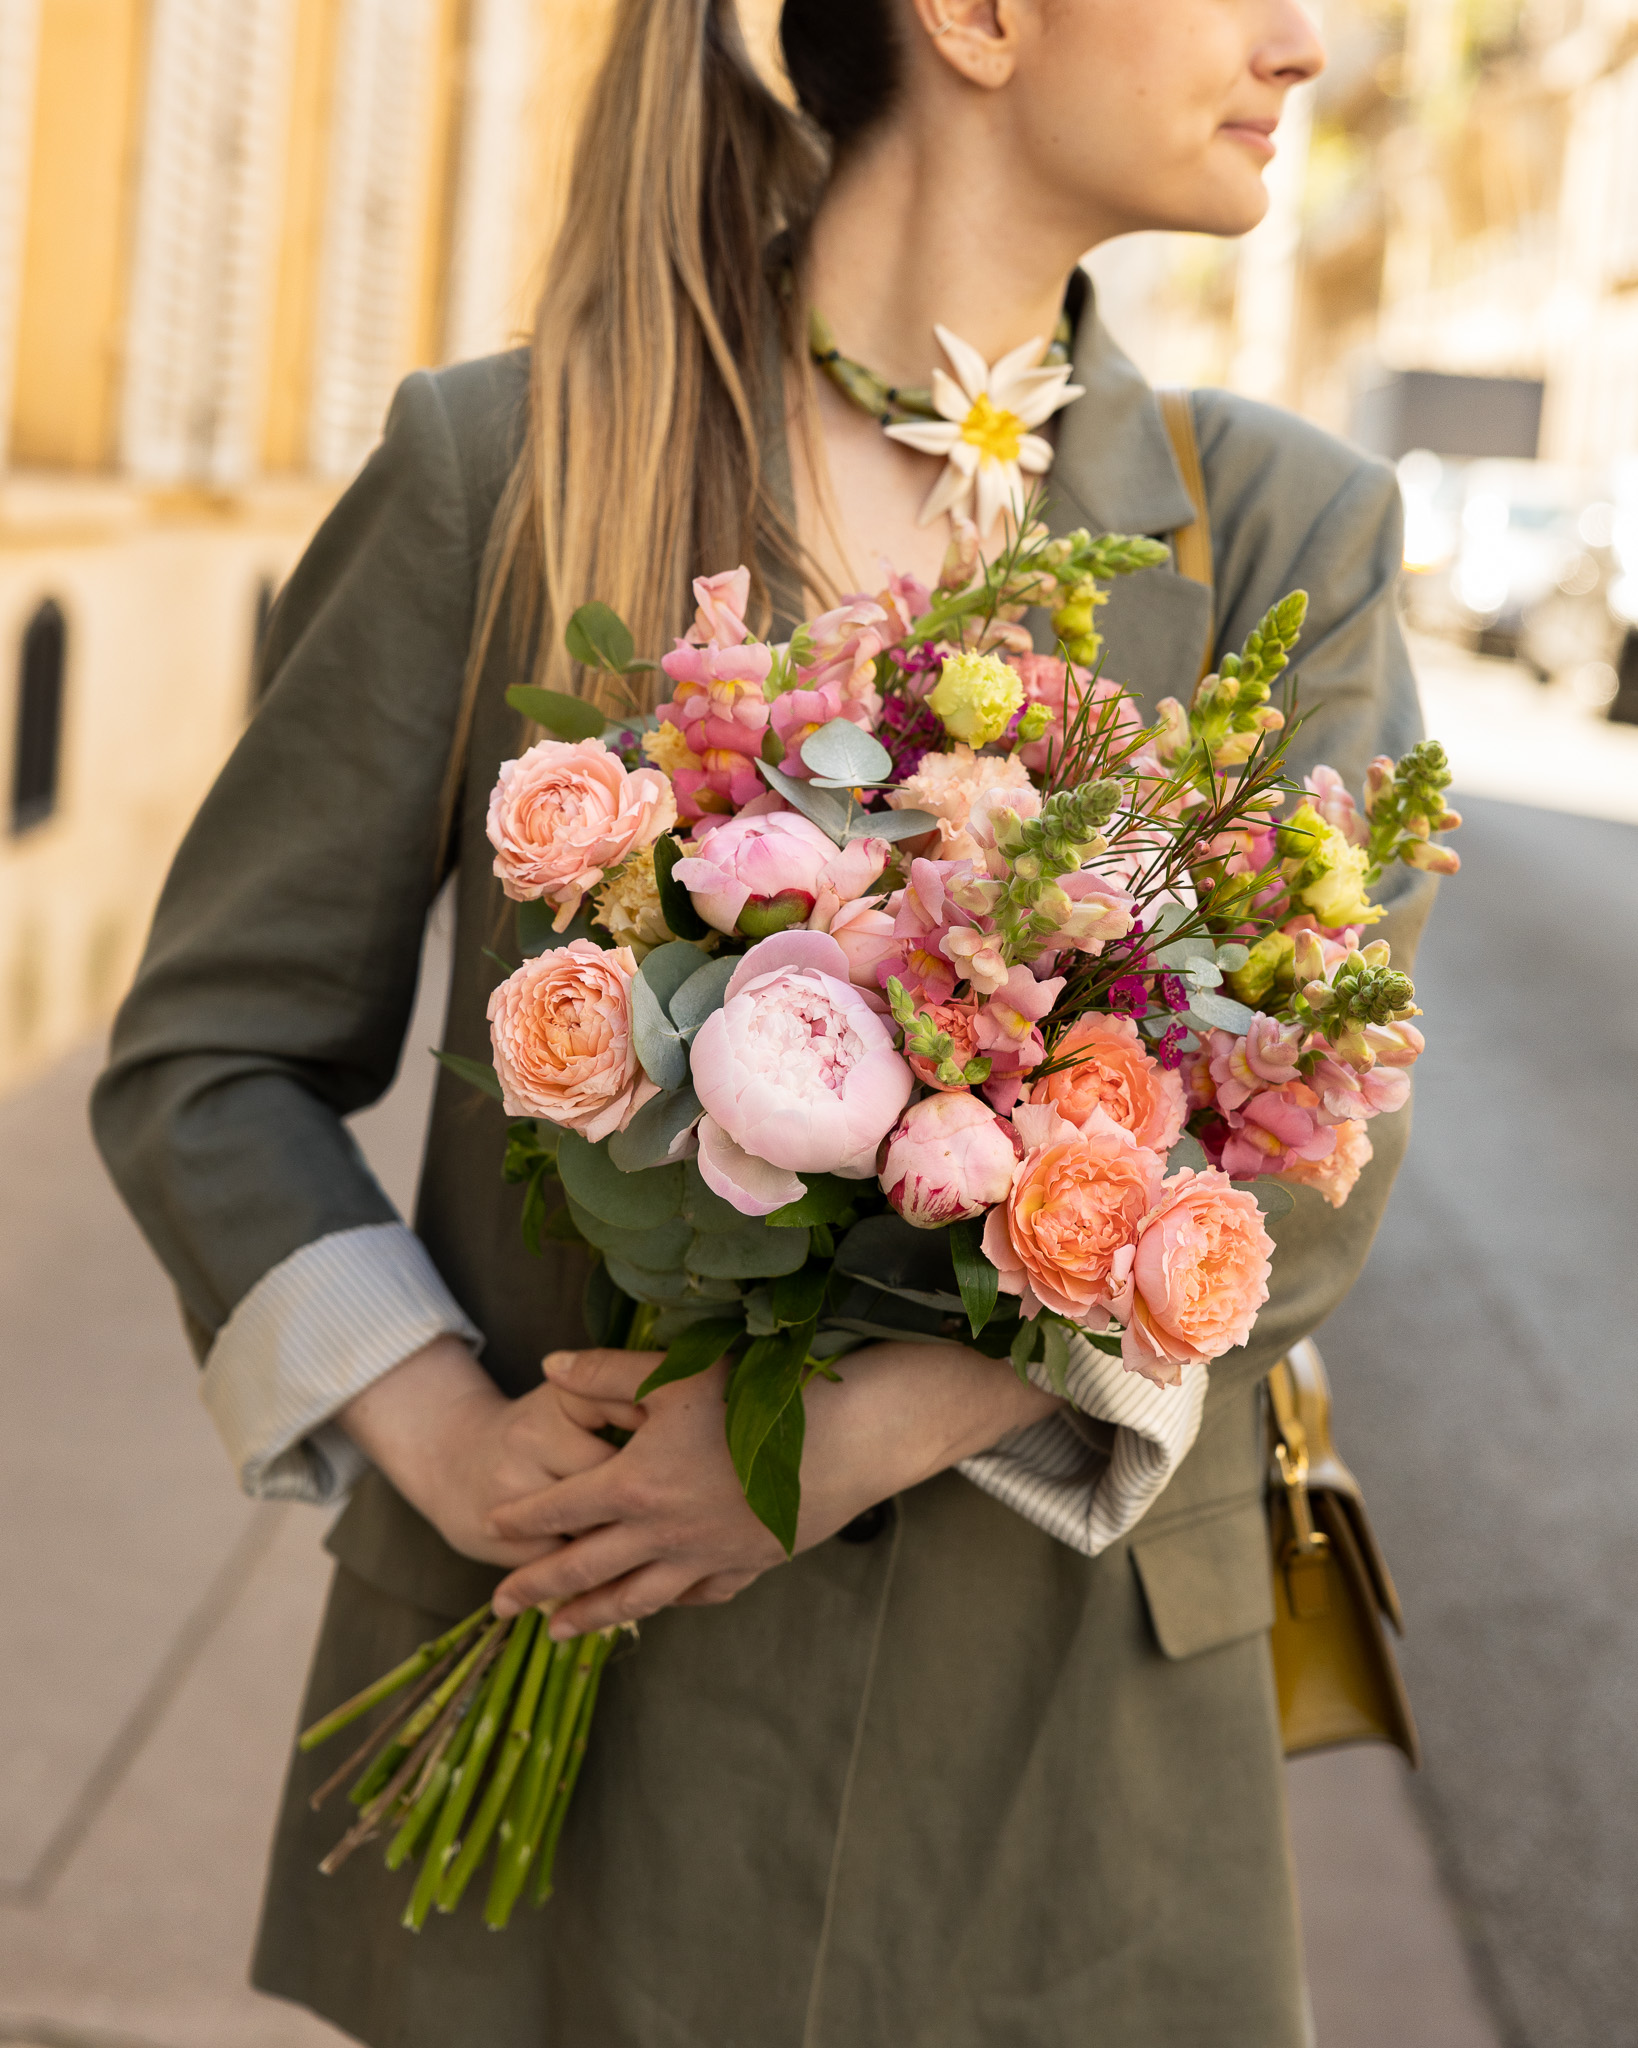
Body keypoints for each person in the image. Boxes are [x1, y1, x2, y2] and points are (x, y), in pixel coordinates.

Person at [93, 2, 1435, 2043]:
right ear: (977, 17)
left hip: (1066, 1785)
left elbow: (1307, 1132)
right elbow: (215, 1058)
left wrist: (832, 1445)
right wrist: (452, 1443)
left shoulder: (1279, 533)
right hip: (583, 1711)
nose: (1301, 43)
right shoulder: (512, 468)